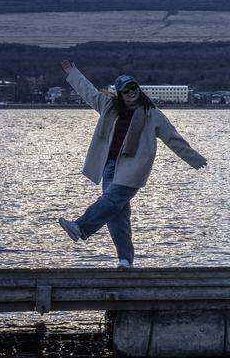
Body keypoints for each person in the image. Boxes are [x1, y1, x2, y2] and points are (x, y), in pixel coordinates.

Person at [58, 59, 207, 267]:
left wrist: (195, 159)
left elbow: (173, 138)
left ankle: (81, 227)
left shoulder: (152, 114)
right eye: (126, 90)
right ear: (120, 94)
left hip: (132, 170)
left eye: (134, 88)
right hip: (109, 167)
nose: (131, 92)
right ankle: (125, 259)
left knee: (110, 201)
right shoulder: (109, 108)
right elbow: (88, 91)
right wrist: (72, 72)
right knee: (117, 216)